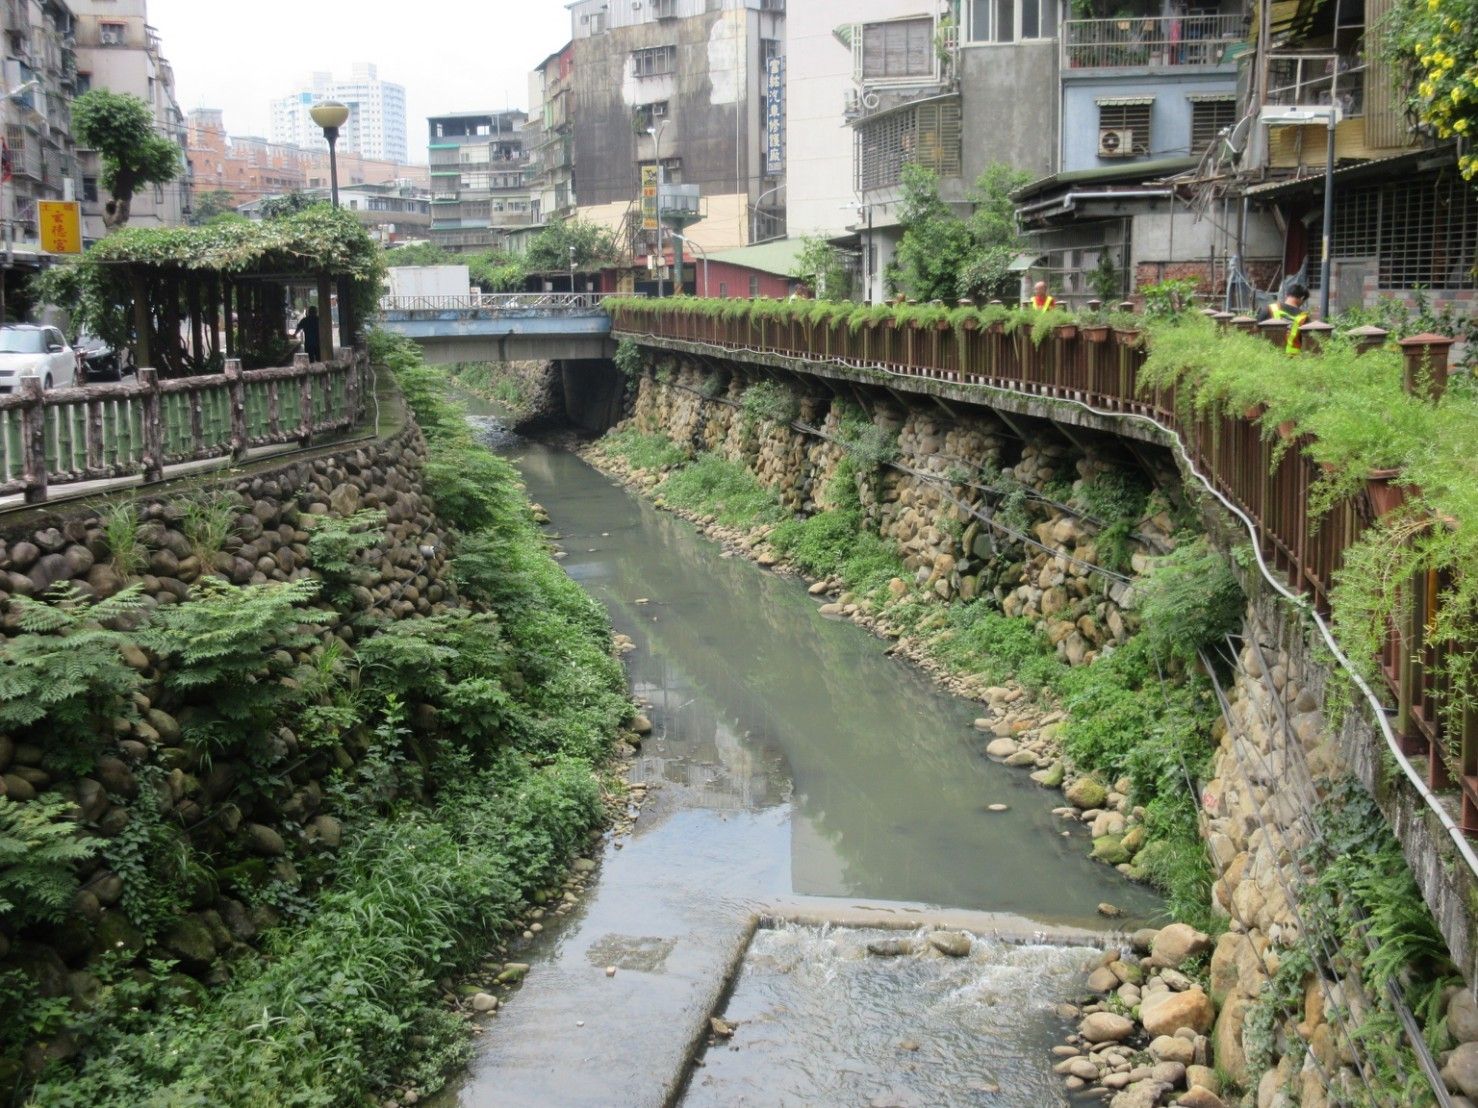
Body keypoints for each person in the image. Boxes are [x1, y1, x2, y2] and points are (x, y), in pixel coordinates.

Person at [1255, 283, 1310, 354]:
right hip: (1293, 358)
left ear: (1287, 295)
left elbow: (1255, 330)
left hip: (1269, 355)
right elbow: (1309, 342)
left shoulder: (1270, 308)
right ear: (1302, 298)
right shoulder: (1304, 317)